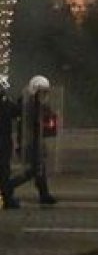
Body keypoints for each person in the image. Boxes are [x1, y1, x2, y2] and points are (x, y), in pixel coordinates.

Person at [8, 75, 56, 205]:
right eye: (42, 91)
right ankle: (8, 186)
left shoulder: (35, 104)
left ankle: (44, 194)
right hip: (29, 142)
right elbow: (31, 124)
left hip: (36, 141)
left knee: (39, 169)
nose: (44, 95)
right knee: (33, 170)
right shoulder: (27, 105)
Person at [0, 77, 21, 210]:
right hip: (3, 142)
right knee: (4, 171)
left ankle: (7, 197)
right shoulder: (5, 104)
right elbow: (17, 111)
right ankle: (7, 198)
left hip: (4, 142)